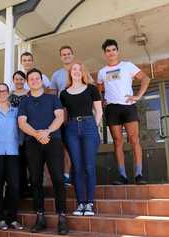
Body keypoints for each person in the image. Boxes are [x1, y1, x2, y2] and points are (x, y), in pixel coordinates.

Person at [18, 68, 68, 235]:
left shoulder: (52, 98)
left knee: (58, 178)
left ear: (42, 80)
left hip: (53, 141)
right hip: (33, 143)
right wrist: (37, 135)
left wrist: (46, 132)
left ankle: (62, 216)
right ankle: (40, 217)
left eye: (36, 78)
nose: (34, 81)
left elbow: (60, 117)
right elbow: (22, 123)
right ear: (28, 82)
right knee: (36, 179)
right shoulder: (24, 102)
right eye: (30, 79)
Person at [97, 39, 151, 185]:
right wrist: (102, 100)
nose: (111, 53)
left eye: (113, 49)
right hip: (112, 109)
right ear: (104, 54)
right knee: (117, 142)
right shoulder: (102, 72)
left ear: (117, 51)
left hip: (128, 106)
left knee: (134, 140)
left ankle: (139, 174)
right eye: (108, 51)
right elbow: (99, 89)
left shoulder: (127, 65)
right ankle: (122, 175)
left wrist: (138, 96)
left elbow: (145, 78)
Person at [60, 62, 102, 216]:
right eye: (73, 70)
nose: (76, 72)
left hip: (89, 126)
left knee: (89, 166)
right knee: (77, 167)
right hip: (71, 129)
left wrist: (93, 127)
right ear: (70, 73)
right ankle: (80, 204)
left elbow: (99, 111)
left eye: (78, 69)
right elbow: (64, 116)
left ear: (83, 72)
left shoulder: (91, 89)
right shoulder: (64, 93)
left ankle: (89, 203)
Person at [0, 83, 23, 231]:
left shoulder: (16, 111)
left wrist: (20, 142)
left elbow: (21, 128)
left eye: (4, 91)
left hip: (13, 153)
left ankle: (13, 218)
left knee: (14, 186)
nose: (1, 93)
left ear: (8, 93)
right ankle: (0, 218)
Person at [49, 45, 76, 187]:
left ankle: (78, 175)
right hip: (62, 114)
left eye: (68, 54)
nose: (66, 56)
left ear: (73, 55)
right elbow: (53, 96)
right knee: (66, 146)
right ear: (61, 57)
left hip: (79, 113)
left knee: (78, 146)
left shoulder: (79, 70)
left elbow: (90, 88)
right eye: (63, 54)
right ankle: (66, 175)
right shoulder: (56, 75)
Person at [8, 71, 30, 197]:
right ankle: (22, 188)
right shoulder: (9, 96)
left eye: (21, 79)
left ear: (24, 80)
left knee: (30, 161)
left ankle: (32, 187)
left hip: (29, 131)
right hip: (15, 132)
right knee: (19, 161)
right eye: (16, 79)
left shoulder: (29, 94)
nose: (19, 81)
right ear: (13, 80)